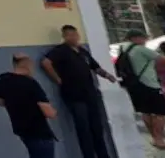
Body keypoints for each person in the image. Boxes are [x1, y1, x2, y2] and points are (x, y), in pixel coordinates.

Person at [41, 25, 116, 158]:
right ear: (64, 36)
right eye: (69, 35)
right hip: (74, 96)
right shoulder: (61, 51)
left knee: (97, 129)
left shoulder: (82, 51)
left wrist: (108, 76)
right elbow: (46, 63)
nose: (73, 37)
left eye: (75, 34)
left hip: (90, 94)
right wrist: (58, 79)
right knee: (83, 129)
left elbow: (95, 67)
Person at [0, 53, 59, 158]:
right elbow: (49, 113)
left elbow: (0, 101)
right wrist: (55, 112)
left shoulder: (3, 79)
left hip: (22, 130)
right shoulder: (31, 84)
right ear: (26, 64)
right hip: (39, 132)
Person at [118, 30, 165, 150]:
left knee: (146, 112)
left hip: (135, 85)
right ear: (136, 38)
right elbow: (162, 59)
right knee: (160, 113)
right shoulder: (140, 49)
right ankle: (160, 140)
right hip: (150, 84)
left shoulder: (123, 48)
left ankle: (154, 138)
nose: (145, 41)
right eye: (144, 38)